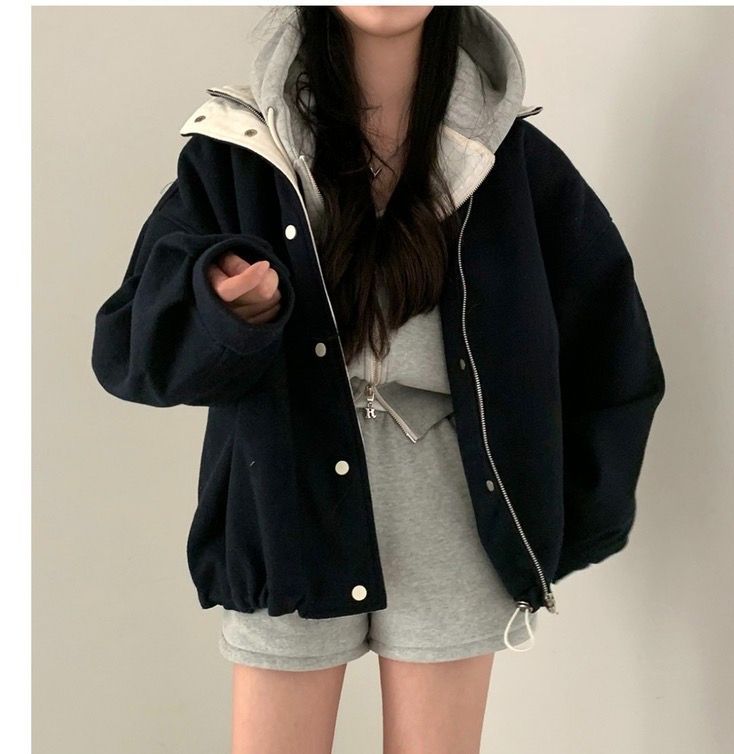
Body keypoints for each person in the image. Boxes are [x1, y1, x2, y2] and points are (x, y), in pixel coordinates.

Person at [91, 5, 666, 753]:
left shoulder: (513, 160)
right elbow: (132, 343)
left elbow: (609, 344)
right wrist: (222, 306)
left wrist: (559, 520)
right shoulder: (239, 149)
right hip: (286, 494)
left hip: (453, 509)